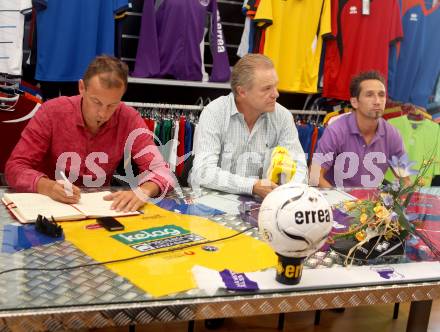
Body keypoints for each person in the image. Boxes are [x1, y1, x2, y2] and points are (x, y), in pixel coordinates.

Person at [5, 55, 174, 211]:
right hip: (50, 206)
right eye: (96, 102)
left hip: (100, 209)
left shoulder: (128, 118)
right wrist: (46, 186)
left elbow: (161, 170)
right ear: (81, 88)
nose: (103, 113)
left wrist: (143, 191)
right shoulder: (51, 112)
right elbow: (15, 168)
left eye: (112, 105)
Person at [190, 54, 307, 199]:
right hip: (214, 205)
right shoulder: (214, 112)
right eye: (267, 89)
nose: (276, 94)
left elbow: (300, 169)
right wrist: (252, 186)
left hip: (266, 206)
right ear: (242, 92)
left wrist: (284, 190)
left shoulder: (283, 116)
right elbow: (203, 172)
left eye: (275, 86)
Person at [310, 71, 408, 188]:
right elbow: (314, 175)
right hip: (335, 202)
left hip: (372, 204)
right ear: (354, 102)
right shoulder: (336, 131)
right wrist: (344, 202)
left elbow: (405, 180)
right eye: (369, 95)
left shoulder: (392, 135)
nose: (377, 101)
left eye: (381, 95)